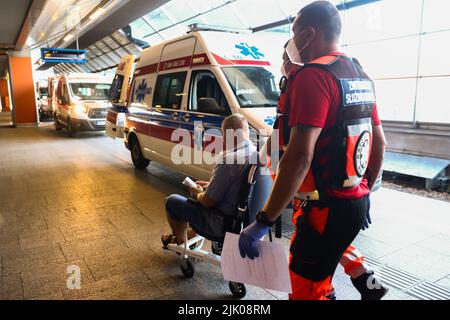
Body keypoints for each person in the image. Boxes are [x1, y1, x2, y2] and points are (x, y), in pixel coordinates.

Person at [239, 1, 387, 300]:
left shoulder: (314, 76)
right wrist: (365, 190)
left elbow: (300, 155)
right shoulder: (359, 74)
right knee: (323, 274)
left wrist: (264, 220)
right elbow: (379, 143)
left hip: (322, 208)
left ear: (309, 33)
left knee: (306, 292)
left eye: (294, 34)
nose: (292, 42)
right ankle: (363, 278)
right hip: (351, 202)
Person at [162, 114, 256, 247]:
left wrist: (196, 192)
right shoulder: (255, 153)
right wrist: (211, 185)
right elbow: (239, 187)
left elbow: (208, 201)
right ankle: (187, 236)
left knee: (172, 201)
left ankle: (182, 245)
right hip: (243, 222)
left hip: (221, 223)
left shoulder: (228, 159)